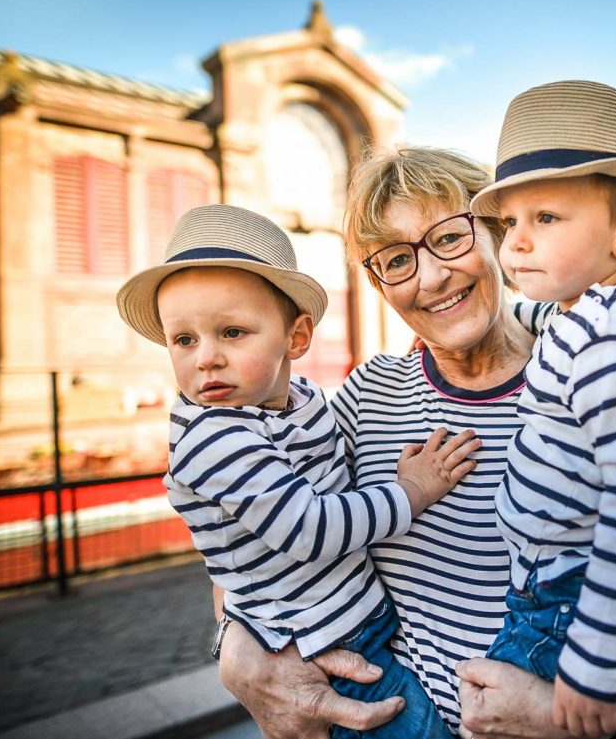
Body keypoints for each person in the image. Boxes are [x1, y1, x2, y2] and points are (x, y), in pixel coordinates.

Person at [216, 147, 616, 739]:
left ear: (500, 233)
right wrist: (236, 644)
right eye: (396, 260)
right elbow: (251, 512)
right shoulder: (368, 396)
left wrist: (583, 708)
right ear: (379, 284)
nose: (431, 277)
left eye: (450, 238)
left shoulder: (590, 371)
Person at [115, 204, 478, 739]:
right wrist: (412, 490)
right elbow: (310, 529)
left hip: (364, 622)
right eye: (184, 340)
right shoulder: (214, 437)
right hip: (327, 646)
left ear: (297, 339)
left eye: (232, 332)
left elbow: (338, 458)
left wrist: (429, 355)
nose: (206, 358)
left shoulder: (304, 401)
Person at [466, 80, 616, 738]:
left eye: (546, 219)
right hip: (559, 576)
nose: (516, 245)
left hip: (577, 595)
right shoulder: (579, 311)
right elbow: (537, 314)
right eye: (510, 223)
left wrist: (596, 661)